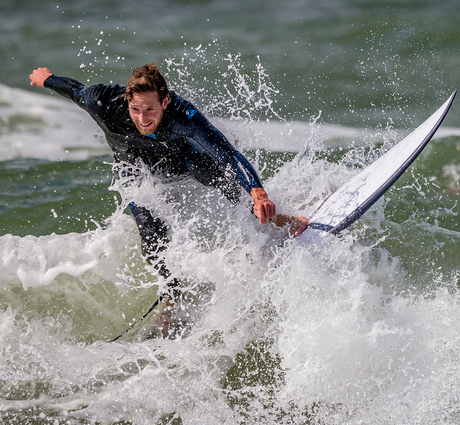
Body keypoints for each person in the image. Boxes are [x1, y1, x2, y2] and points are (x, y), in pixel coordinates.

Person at [29, 63, 308, 337]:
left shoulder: (182, 115)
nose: (143, 118)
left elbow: (229, 154)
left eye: (151, 109)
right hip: (134, 171)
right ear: (127, 101)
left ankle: (279, 220)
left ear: (164, 101)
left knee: (212, 170)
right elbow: (74, 90)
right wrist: (47, 78)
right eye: (136, 109)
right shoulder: (103, 103)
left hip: (177, 159)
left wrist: (258, 193)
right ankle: (172, 297)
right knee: (152, 239)